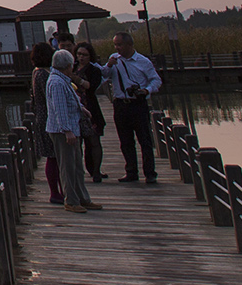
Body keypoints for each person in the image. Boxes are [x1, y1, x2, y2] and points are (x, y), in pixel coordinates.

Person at [106, 30, 162, 183]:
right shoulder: (114, 61)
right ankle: (131, 171)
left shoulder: (143, 61)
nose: (117, 48)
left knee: (145, 139)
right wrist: (109, 66)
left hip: (138, 104)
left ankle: (150, 173)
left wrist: (147, 90)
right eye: (115, 45)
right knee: (125, 141)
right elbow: (103, 76)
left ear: (129, 44)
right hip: (120, 104)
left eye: (120, 45)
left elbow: (156, 80)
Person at [46, 49, 98, 212]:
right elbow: (59, 109)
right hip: (63, 131)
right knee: (68, 167)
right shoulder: (56, 82)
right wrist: (67, 131)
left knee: (76, 166)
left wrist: (82, 109)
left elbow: (71, 99)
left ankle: (82, 198)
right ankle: (71, 200)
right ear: (67, 66)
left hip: (72, 128)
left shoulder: (63, 79)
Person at [28, 41, 59, 203]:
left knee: (53, 156)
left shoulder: (36, 72)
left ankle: (58, 190)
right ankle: (55, 192)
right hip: (48, 118)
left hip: (42, 116)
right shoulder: (43, 75)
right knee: (53, 156)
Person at [74, 40, 108, 183]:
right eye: (79, 54)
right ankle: (79, 170)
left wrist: (78, 80)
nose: (81, 57)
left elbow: (92, 87)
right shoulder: (72, 67)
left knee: (94, 141)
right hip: (76, 107)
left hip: (90, 106)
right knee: (78, 142)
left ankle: (96, 171)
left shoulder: (94, 70)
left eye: (85, 55)